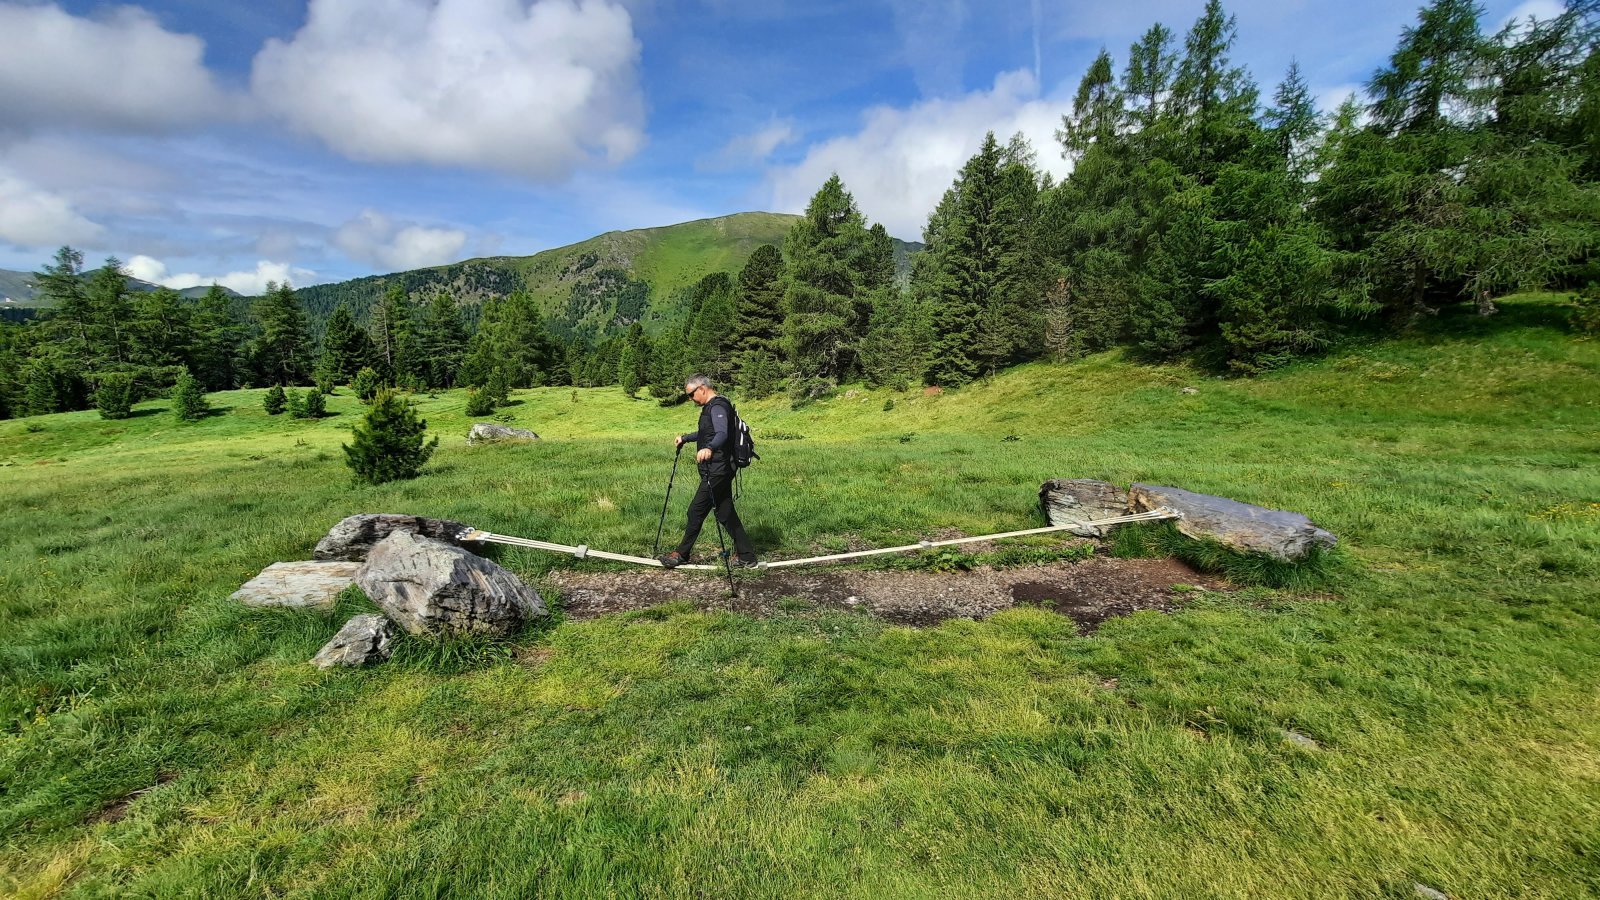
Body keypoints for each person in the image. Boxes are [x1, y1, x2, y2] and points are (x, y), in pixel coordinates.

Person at [659, 375, 758, 569]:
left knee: (695, 511)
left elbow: (722, 434)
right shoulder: (711, 407)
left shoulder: (718, 406)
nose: (690, 399)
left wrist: (710, 448)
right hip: (718, 468)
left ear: (702, 388)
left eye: (691, 394)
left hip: (718, 469)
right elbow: (707, 433)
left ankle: (681, 554)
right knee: (725, 512)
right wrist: (686, 438)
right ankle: (747, 556)